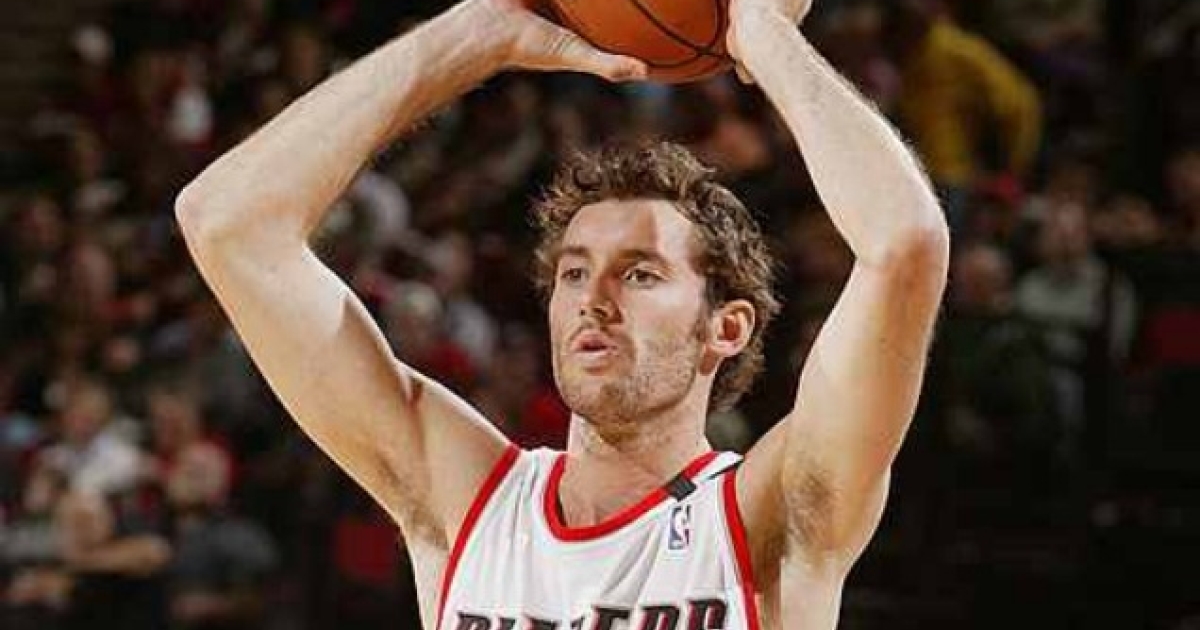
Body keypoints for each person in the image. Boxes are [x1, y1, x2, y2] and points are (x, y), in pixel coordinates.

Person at [174, 0, 949, 628]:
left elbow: (905, 244)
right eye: (574, 272)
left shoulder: (764, 517)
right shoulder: (468, 503)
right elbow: (227, 224)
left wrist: (760, 32)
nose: (593, 299)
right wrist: (473, 35)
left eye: (639, 273)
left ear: (726, 326)